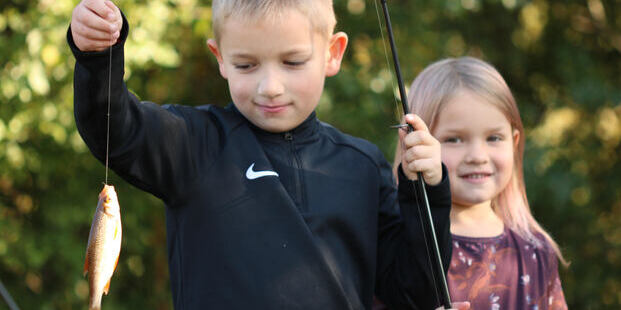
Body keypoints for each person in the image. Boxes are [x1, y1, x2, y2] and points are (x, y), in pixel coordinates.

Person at [68, 0, 466, 308]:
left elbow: (414, 291)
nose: (270, 86)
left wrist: (426, 192)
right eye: (246, 65)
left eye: (293, 62)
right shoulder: (192, 144)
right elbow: (115, 130)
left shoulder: (363, 166)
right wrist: (97, 56)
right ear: (220, 57)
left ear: (333, 53)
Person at [382, 57, 567, 309]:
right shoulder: (401, 247)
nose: (478, 156)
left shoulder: (536, 251)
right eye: (454, 140)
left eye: (493, 137)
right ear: (415, 145)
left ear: (513, 143)